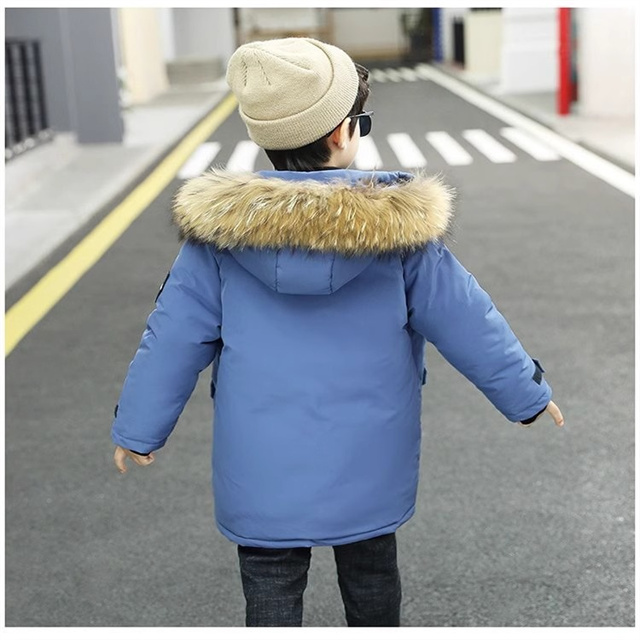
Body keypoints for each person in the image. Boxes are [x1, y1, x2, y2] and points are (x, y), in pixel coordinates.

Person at [111, 37, 564, 627]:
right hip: (369, 457)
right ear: (341, 134)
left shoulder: (217, 242)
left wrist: (139, 428)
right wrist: (526, 395)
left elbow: (171, 339)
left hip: (262, 465)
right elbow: (466, 319)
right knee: (372, 573)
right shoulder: (401, 235)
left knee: (270, 582)